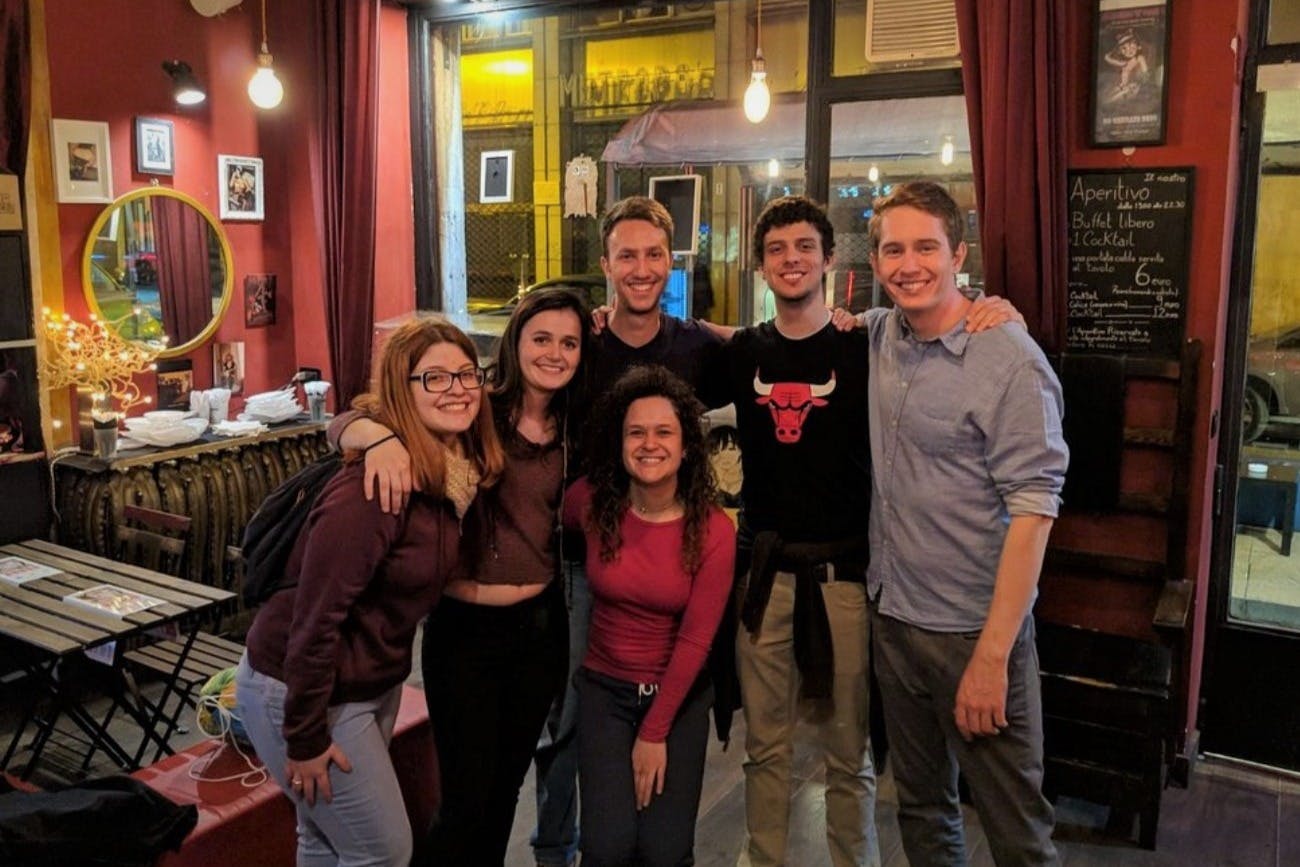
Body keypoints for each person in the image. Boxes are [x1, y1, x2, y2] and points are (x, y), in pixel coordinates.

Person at [330, 288, 590, 865]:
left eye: (569, 343)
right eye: (541, 338)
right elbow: (347, 421)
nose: (554, 353)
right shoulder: (473, 406)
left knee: (505, 791)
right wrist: (377, 438)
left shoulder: (577, 427)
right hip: (464, 631)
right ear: (515, 341)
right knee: (465, 798)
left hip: (540, 628)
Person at [235, 317, 505, 867]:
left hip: (367, 684)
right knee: (382, 850)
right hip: (301, 688)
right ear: (402, 391)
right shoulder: (376, 488)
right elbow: (315, 619)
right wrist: (305, 738)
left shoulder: (451, 476)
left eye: (466, 374)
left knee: (324, 839)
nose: (456, 389)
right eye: (434, 378)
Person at [862, 180, 1068, 866]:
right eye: (894, 250)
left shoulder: (1009, 359)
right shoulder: (880, 334)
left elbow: (1034, 513)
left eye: (926, 247)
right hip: (894, 619)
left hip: (975, 634)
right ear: (875, 262)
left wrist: (992, 656)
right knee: (922, 810)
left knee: (1018, 836)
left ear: (959, 255)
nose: (909, 264)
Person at [534, 195, 725, 867]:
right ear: (606, 263)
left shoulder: (697, 345)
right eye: (626, 256)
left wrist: (853, 318)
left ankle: (639, 825)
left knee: (665, 696)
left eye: (653, 255)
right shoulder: (581, 346)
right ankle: (554, 847)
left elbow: (770, 343)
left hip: (672, 552)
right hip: (586, 556)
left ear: (671, 261)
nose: (641, 269)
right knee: (568, 719)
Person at [699, 195, 879, 867]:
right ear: (761, 266)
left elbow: (937, 325)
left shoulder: (862, 346)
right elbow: (678, 346)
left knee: (848, 750)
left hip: (844, 576)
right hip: (765, 575)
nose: (791, 259)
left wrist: (995, 311)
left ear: (829, 259)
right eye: (776, 249)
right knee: (764, 744)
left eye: (805, 246)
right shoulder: (745, 351)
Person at [565, 364, 735, 867]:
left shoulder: (713, 530)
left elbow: (696, 641)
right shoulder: (590, 504)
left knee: (664, 853)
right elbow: (532, 506)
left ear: (686, 447)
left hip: (677, 699)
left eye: (664, 432)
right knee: (607, 848)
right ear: (619, 444)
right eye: (635, 432)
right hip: (605, 691)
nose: (649, 444)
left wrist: (654, 731)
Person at [1104, 30, 1149, 103]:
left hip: (1134, 86)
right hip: (1124, 85)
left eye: (1132, 47)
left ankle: (1109, 102)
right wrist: (1107, 58)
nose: (1128, 50)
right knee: (1110, 95)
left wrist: (1139, 82)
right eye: (1124, 48)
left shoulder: (1139, 58)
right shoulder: (1124, 62)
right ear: (1120, 51)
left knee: (1117, 97)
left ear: (1138, 47)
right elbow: (1114, 62)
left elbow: (1145, 72)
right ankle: (1107, 102)